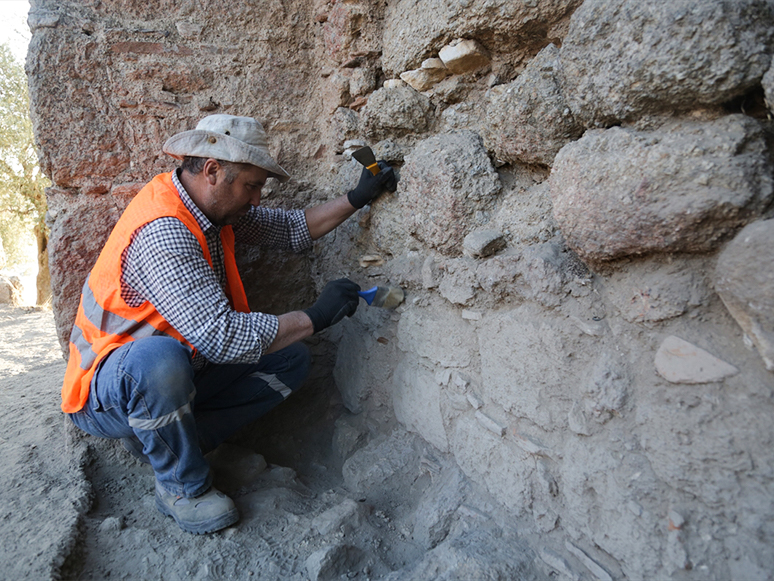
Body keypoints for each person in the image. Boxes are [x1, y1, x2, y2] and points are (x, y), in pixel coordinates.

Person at [61, 114, 396, 534]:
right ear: (213, 171)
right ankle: (183, 486)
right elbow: (220, 338)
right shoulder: (165, 228)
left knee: (288, 360)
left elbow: (290, 229)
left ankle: (173, 444)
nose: (256, 199)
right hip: (106, 392)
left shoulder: (211, 207)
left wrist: (357, 197)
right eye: (252, 186)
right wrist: (315, 316)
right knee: (158, 360)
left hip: (178, 371)